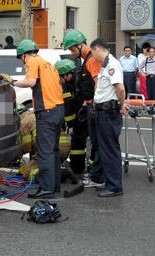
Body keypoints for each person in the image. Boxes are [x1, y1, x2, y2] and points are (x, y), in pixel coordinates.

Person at [11, 39, 64, 199]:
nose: (24, 62)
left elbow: (31, 81)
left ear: (25, 55)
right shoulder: (49, 64)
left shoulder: (33, 61)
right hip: (58, 110)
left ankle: (47, 189)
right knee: (53, 150)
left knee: (45, 152)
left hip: (46, 112)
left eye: (22, 58)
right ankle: (54, 186)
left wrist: (12, 81)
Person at [89, 38, 127, 197]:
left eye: (92, 52)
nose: (92, 56)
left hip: (108, 112)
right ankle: (110, 182)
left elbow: (120, 87)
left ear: (97, 49)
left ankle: (114, 186)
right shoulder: (105, 65)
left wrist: (122, 104)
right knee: (105, 149)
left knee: (110, 149)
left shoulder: (112, 64)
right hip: (102, 112)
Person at [62, 30, 100, 186]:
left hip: (95, 108)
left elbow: (98, 84)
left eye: (72, 49)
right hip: (90, 106)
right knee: (93, 142)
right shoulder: (85, 61)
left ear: (80, 44)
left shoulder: (92, 59)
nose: (72, 52)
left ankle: (96, 175)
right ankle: (95, 173)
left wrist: (94, 104)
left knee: (97, 143)